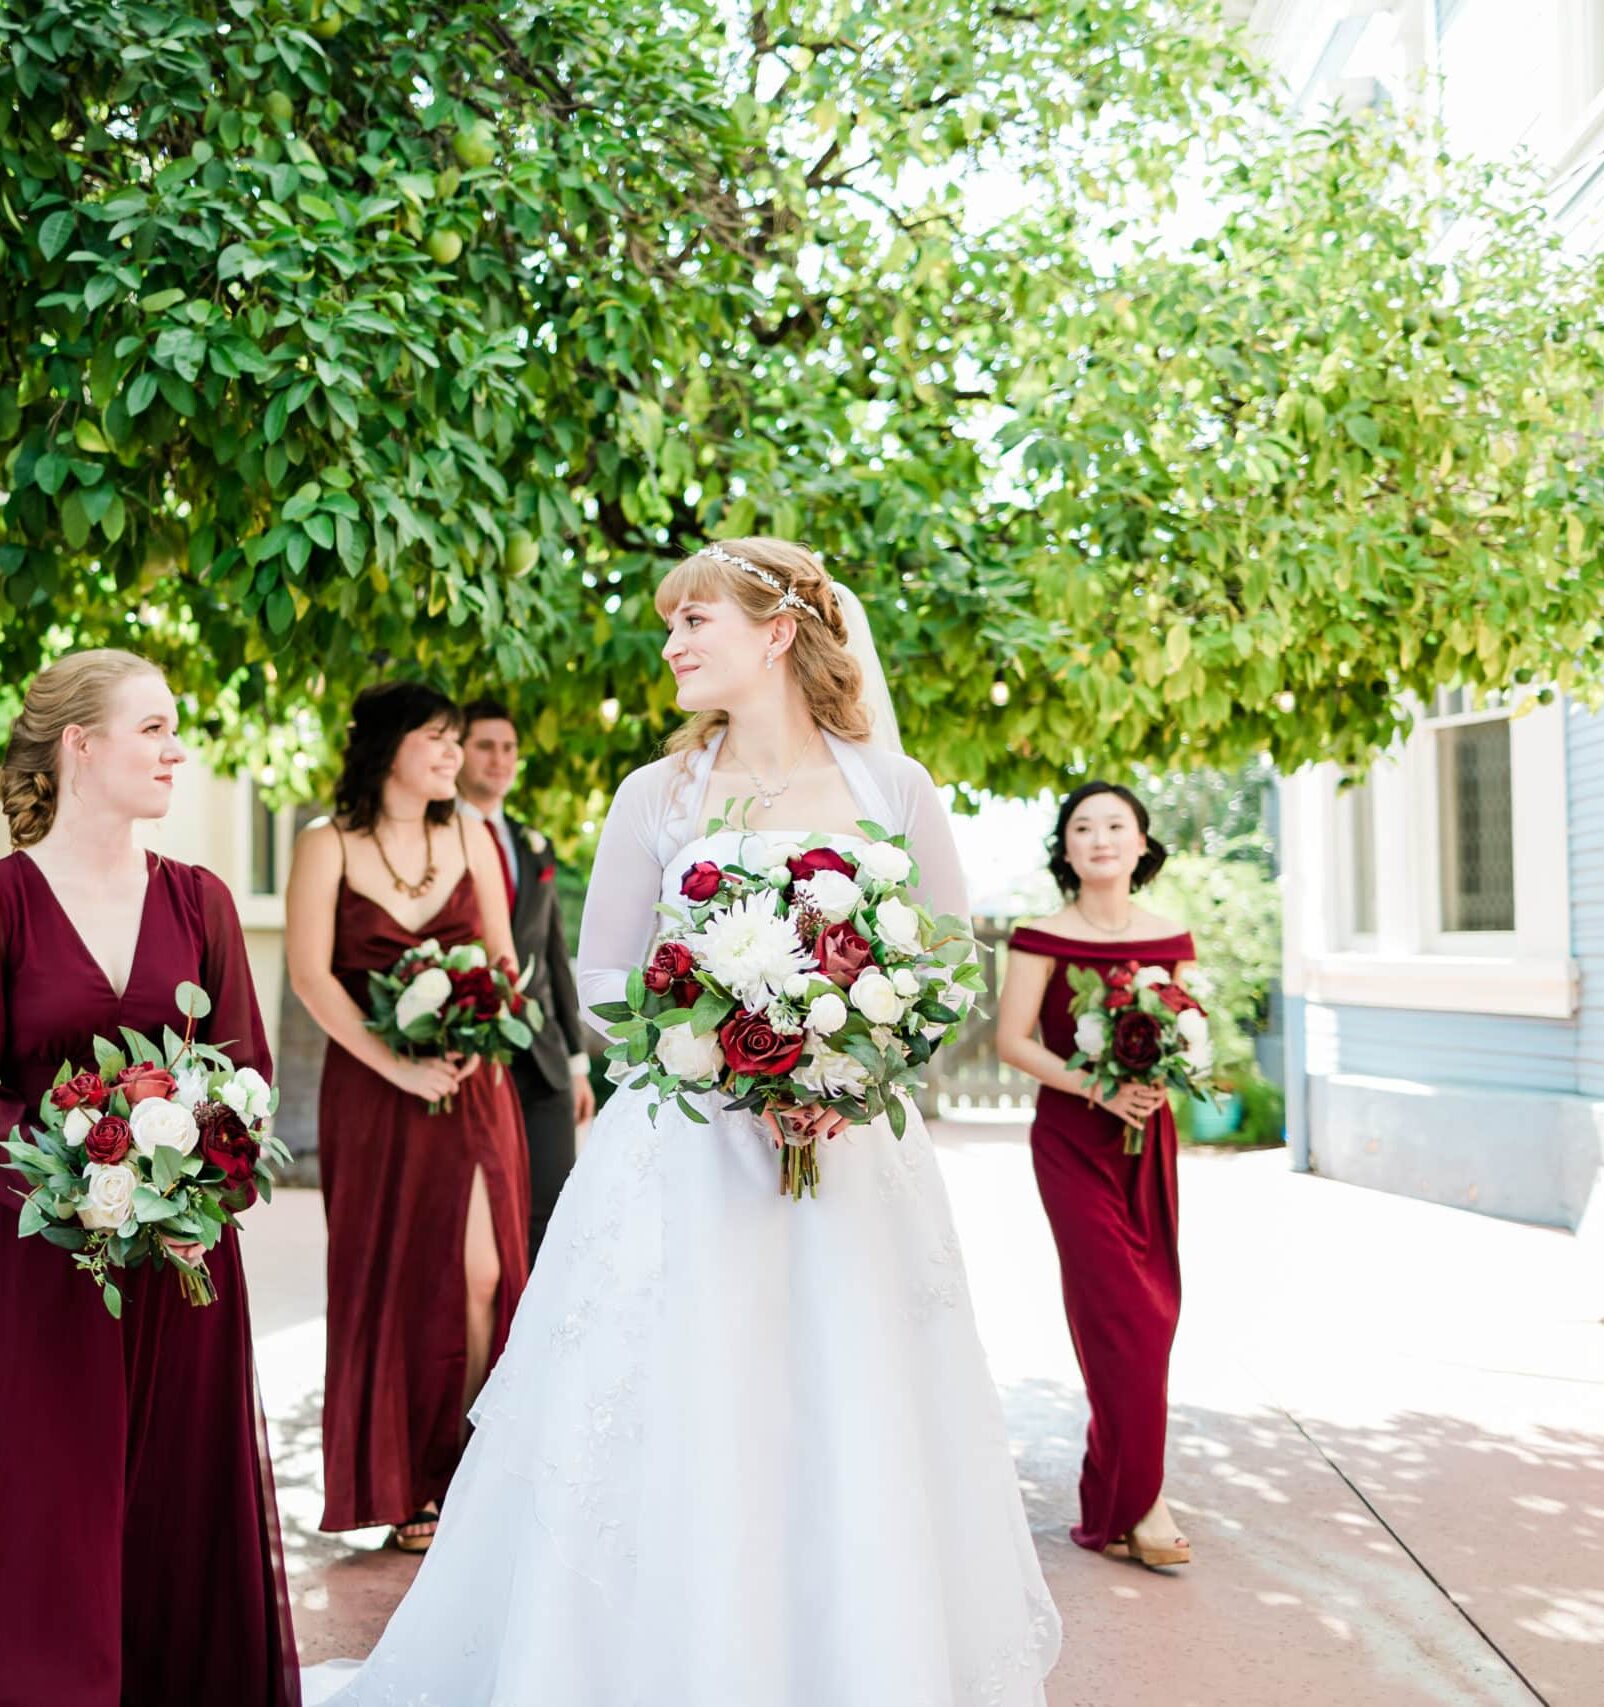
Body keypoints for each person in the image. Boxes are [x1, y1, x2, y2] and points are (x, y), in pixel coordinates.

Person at [305, 540, 1058, 1706]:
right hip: (689, 1154)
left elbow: (946, 969)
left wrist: (841, 1069)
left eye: (691, 622)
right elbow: (605, 984)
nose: (670, 646)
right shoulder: (656, 797)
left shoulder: (887, 788)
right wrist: (729, 1064)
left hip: (852, 1160)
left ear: (775, 633)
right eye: (669, 628)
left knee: (842, 1399)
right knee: (686, 1403)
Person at [0, 650, 299, 1707]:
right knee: (42, 1507)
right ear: (78, 745)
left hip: (181, 1265)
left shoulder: (200, 899)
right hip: (39, 1260)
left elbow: (246, 1075)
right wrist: (75, 1193)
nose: (176, 749)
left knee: (178, 1501)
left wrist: (197, 1197)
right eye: (152, 728)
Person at [285, 681, 530, 1555]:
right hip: (373, 1095)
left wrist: (474, 1037)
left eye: (456, 740)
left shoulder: (469, 832)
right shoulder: (324, 844)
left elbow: (502, 960)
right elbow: (312, 978)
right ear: (388, 746)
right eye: (435, 739)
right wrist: (397, 1063)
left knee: (482, 1272)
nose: (453, 755)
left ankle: (469, 1468)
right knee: (390, 1277)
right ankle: (409, 1484)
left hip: (472, 1086)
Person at [996, 780, 1196, 1569]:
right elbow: (1013, 1041)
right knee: (1120, 1315)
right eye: (1082, 826)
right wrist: (1096, 1086)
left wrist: (1159, 1077)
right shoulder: (1038, 935)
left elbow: (1182, 1029)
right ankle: (1145, 1501)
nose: (1100, 837)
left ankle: (1113, 1487)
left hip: (1148, 1140)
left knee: (1156, 1310)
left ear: (1141, 844)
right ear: (1066, 848)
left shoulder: (1170, 933)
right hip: (1073, 1141)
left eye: (1115, 824)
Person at [455, 698, 595, 1251]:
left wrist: (578, 1063)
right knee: (484, 1227)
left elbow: (555, 958)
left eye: (509, 748)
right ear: (459, 753)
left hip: (544, 1063)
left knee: (552, 1218)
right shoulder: (435, 840)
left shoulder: (532, 842)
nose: (499, 759)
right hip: (472, 1055)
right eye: (485, 746)